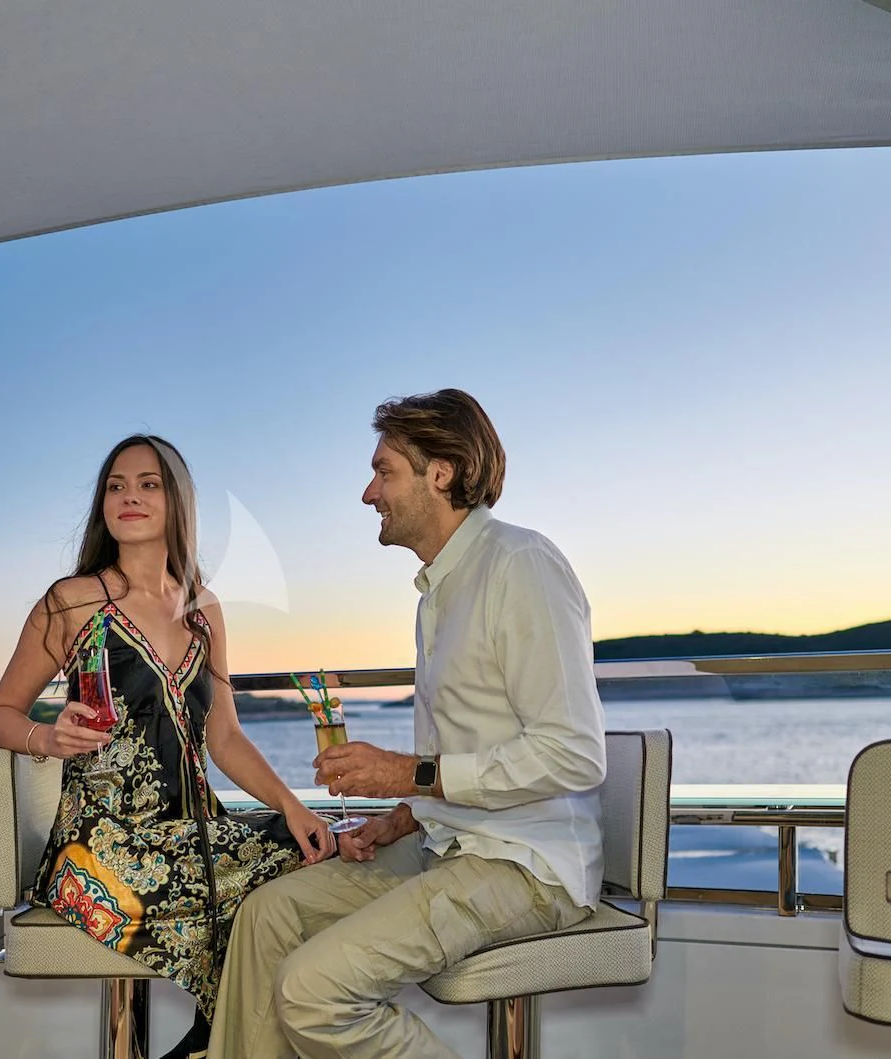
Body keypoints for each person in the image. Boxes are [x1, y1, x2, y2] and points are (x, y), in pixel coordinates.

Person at [208, 389, 607, 1059]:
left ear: (441, 472)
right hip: (448, 843)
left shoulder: (520, 565)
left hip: (525, 863)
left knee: (312, 991)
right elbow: (468, 752)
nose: (369, 492)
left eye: (384, 469)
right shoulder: (436, 593)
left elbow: (574, 753)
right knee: (265, 915)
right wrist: (401, 815)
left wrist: (406, 772)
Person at [0, 434, 335, 1059]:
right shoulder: (71, 601)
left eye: (148, 484)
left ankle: (211, 1040)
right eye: (116, 486)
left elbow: (223, 736)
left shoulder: (205, 611)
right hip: (100, 847)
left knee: (313, 841)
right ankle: (215, 1039)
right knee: (270, 881)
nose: (129, 497)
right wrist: (47, 736)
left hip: (192, 828)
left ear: (177, 503)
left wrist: (290, 805)